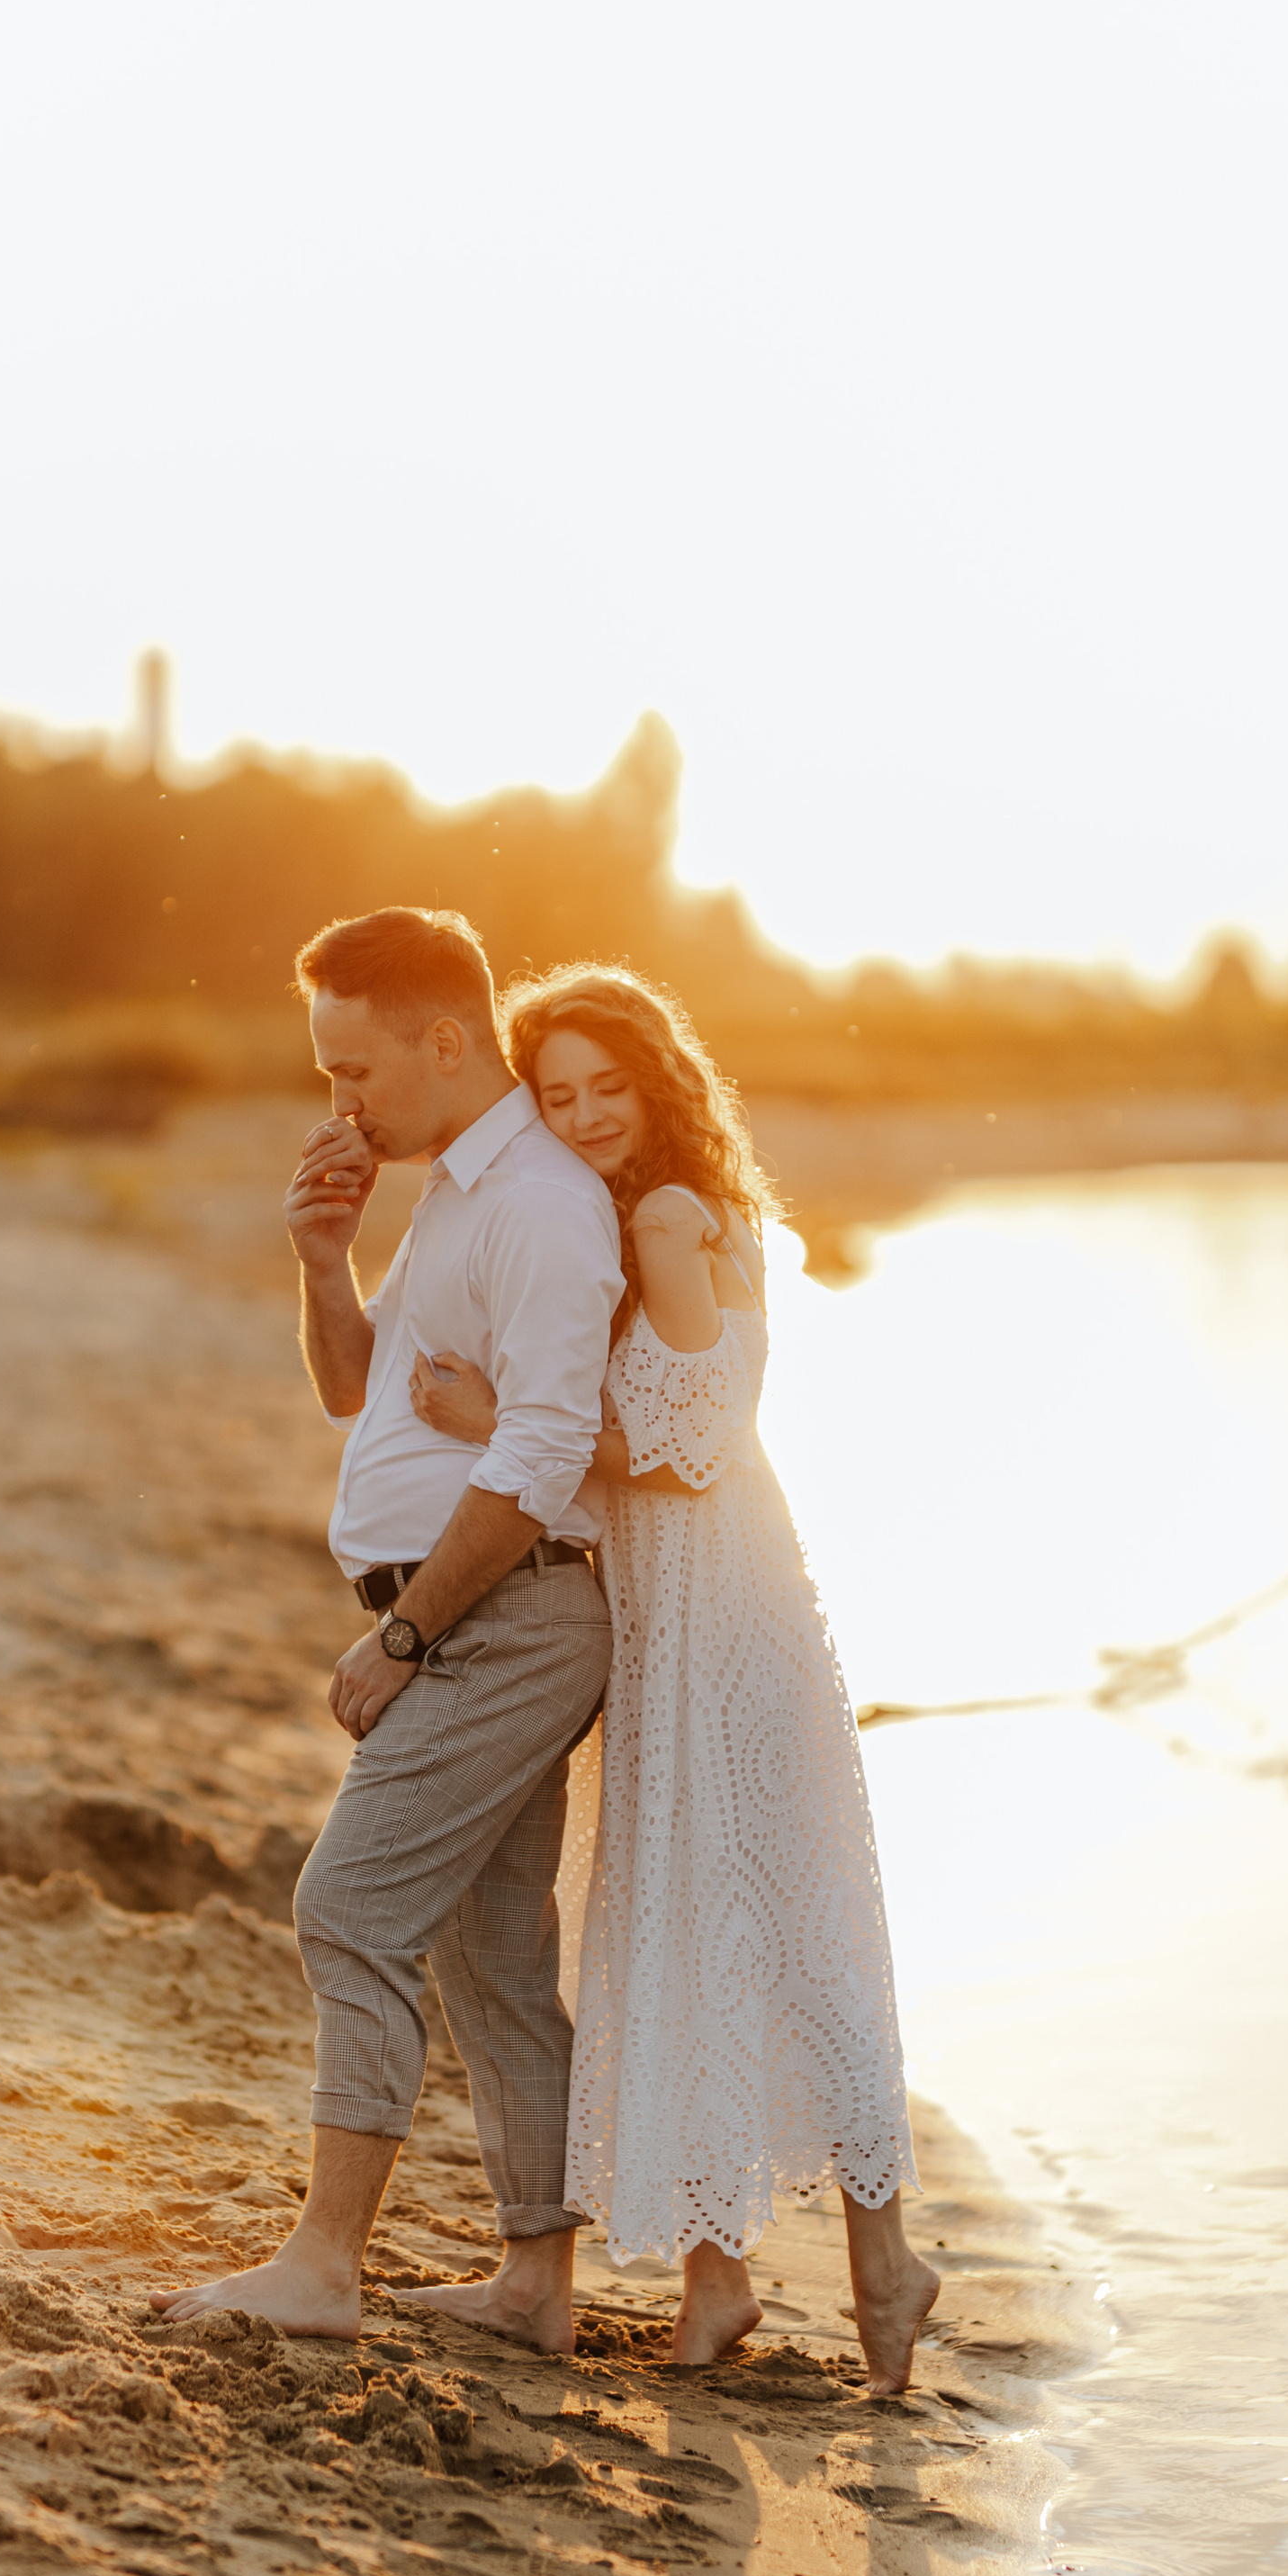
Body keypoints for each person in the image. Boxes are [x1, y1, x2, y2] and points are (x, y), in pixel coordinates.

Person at [409, 963, 937, 2390]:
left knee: (772, 1914)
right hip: (681, 1601)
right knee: (706, 1914)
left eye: (605, 1088)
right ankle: (724, 2283)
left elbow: (694, 1439)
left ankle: (885, 2261)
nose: (581, 1117)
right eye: (557, 1094)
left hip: (721, 1604)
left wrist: (499, 1415)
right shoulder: (685, 1209)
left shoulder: (658, 1216)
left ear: (658, 1085)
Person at [152, 907, 622, 2355]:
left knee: (345, 1911)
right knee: (488, 1956)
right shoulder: (454, 1188)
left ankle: (323, 2262)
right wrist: (321, 1260)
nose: (337, 1106)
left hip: (504, 1618)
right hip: (484, 1613)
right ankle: (536, 2287)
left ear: (444, 1039)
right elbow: (357, 1389)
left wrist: (403, 1641)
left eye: (354, 1072)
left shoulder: (540, 1203)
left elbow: (541, 1453)